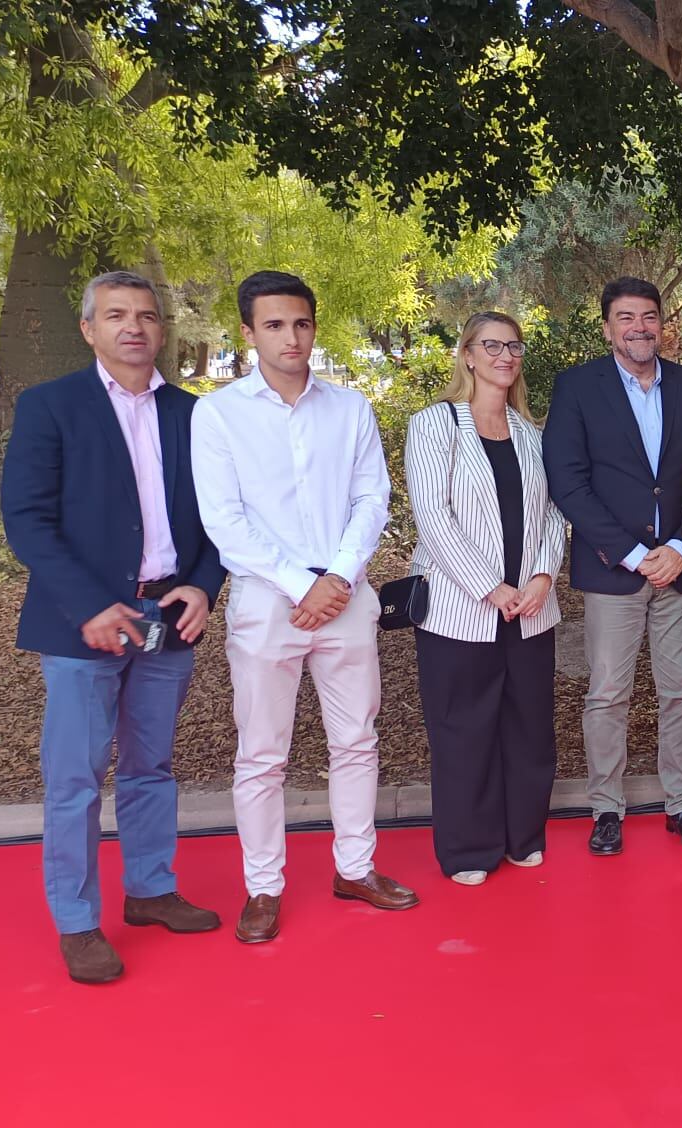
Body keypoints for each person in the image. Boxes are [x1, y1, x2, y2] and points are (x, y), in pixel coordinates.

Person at [0, 271, 227, 983]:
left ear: (164, 330)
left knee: (150, 767)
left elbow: (227, 514)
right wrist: (88, 606)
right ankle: (76, 921)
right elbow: (28, 520)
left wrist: (204, 582)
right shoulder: (50, 407)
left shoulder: (196, 416)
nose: (134, 327)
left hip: (167, 616)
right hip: (84, 624)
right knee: (74, 779)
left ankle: (152, 890)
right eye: (117, 315)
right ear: (89, 328)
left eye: (148, 316)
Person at [192, 270, 416, 943]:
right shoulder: (219, 413)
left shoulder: (348, 409)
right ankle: (263, 886)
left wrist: (339, 576)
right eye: (275, 325)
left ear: (314, 327)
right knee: (262, 754)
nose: (291, 337)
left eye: (301, 323)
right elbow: (224, 520)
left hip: (344, 597)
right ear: (249, 332)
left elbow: (371, 500)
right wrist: (300, 581)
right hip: (267, 603)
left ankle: (355, 867)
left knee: (356, 740)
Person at [544, 277, 682, 857]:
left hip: (681, 565)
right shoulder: (577, 387)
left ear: (662, 323)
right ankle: (606, 809)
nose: (639, 327)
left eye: (649, 316)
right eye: (626, 317)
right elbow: (568, 480)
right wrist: (633, 552)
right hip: (613, 568)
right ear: (607, 327)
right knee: (608, 693)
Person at [405, 313, 568, 886]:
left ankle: (523, 835)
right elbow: (433, 516)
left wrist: (544, 576)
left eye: (513, 345)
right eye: (491, 345)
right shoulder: (435, 425)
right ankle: (470, 848)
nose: (505, 354)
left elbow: (552, 512)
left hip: (530, 609)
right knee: (464, 730)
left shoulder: (531, 433)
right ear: (467, 355)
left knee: (528, 729)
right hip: (460, 610)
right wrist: (488, 586)